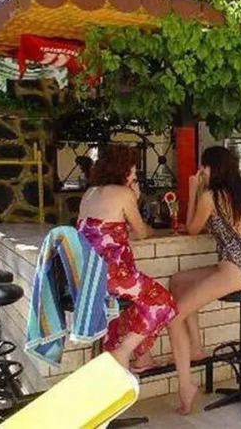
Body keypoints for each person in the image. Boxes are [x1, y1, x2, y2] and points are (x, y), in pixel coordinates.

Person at [167, 146, 241, 415]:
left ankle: (186, 385)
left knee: (173, 317)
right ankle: (196, 348)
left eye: (203, 167)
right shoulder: (239, 191)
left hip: (234, 269)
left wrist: (193, 190)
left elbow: (191, 229)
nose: (201, 171)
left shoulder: (210, 196)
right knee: (178, 281)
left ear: (213, 168)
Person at [76, 145, 177, 372]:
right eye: (132, 171)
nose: (133, 176)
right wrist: (136, 200)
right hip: (112, 276)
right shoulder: (124, 193)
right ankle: (122, 352)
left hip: (88, 277)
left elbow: (104, 231)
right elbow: (141, 232)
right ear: (121, 170)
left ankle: (142, 358)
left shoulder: (89, 193)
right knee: (163, 302)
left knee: (135, 305)